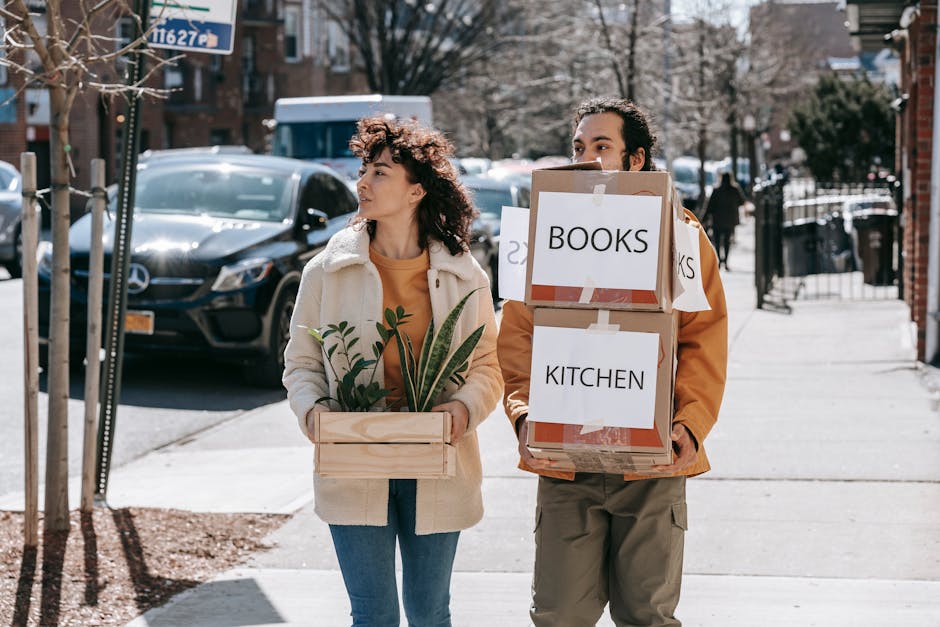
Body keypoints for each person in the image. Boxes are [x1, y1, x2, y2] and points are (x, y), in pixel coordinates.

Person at [498, 97, 728, 627]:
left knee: (647, 615)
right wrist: (524, 415)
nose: (588, 158)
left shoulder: (683, 237)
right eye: (579, 147)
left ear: (636, 160)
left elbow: (704, 340)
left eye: (603, 146)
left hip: (653, 463)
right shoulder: (544, 232)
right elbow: (516, 338)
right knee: (558, 614)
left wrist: (689, 426)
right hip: (564, 460)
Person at [283, 117, 502, 626]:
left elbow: (488, 365)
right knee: (374, 616)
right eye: (365, 170)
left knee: (429, 614)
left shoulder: (464, 274)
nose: (362, 182)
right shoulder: (327, 270)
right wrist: (311, 412)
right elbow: (301, 362)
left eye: (380, 173)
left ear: (415, 192)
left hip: (437, 456)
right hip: (354, 455)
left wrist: (462, 411)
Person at [703, 170, 746, 271]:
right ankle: (726, 262)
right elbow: (742, 201)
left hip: (717, 219)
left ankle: (719, 260)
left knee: (717, 241)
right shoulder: (735, 189)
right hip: (730, 220)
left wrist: (703, 219)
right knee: (727, 241)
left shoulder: (716, 190)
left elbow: (710, 206)